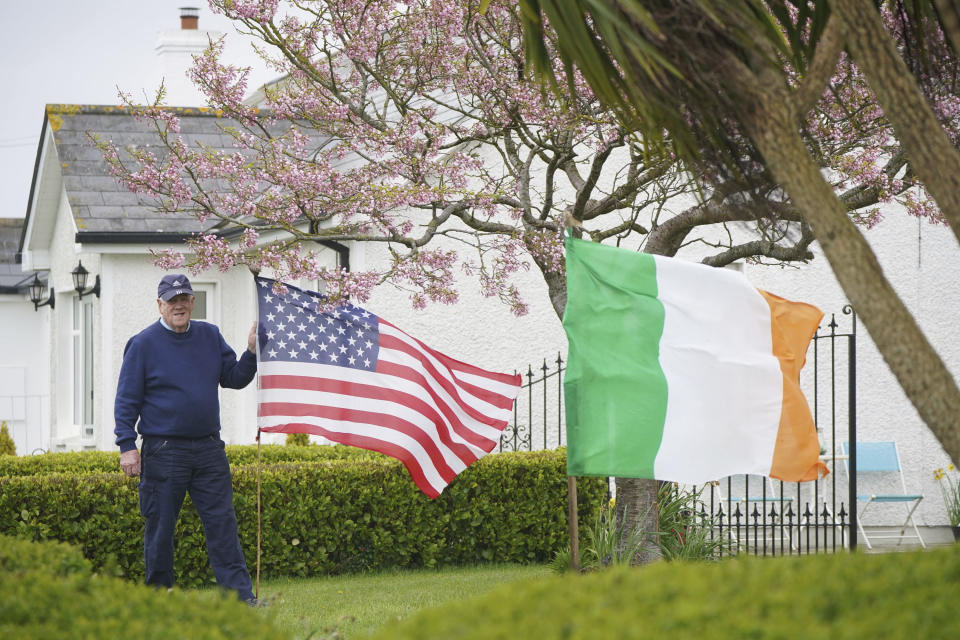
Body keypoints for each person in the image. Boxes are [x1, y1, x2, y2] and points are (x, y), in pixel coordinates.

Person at [115, 273, 260, 604]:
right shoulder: (142, 344)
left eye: (184, 298)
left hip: (209, 448)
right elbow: (126, 401)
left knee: (223, 525)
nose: (178, 305)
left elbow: (234, 378)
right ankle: (160, 597)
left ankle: (240, 598)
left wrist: (251, 352)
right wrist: (127, 446)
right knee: (161, 528)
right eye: (171, 300)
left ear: (193, 302)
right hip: (164, 451)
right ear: (160, 304)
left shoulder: (209, 335)